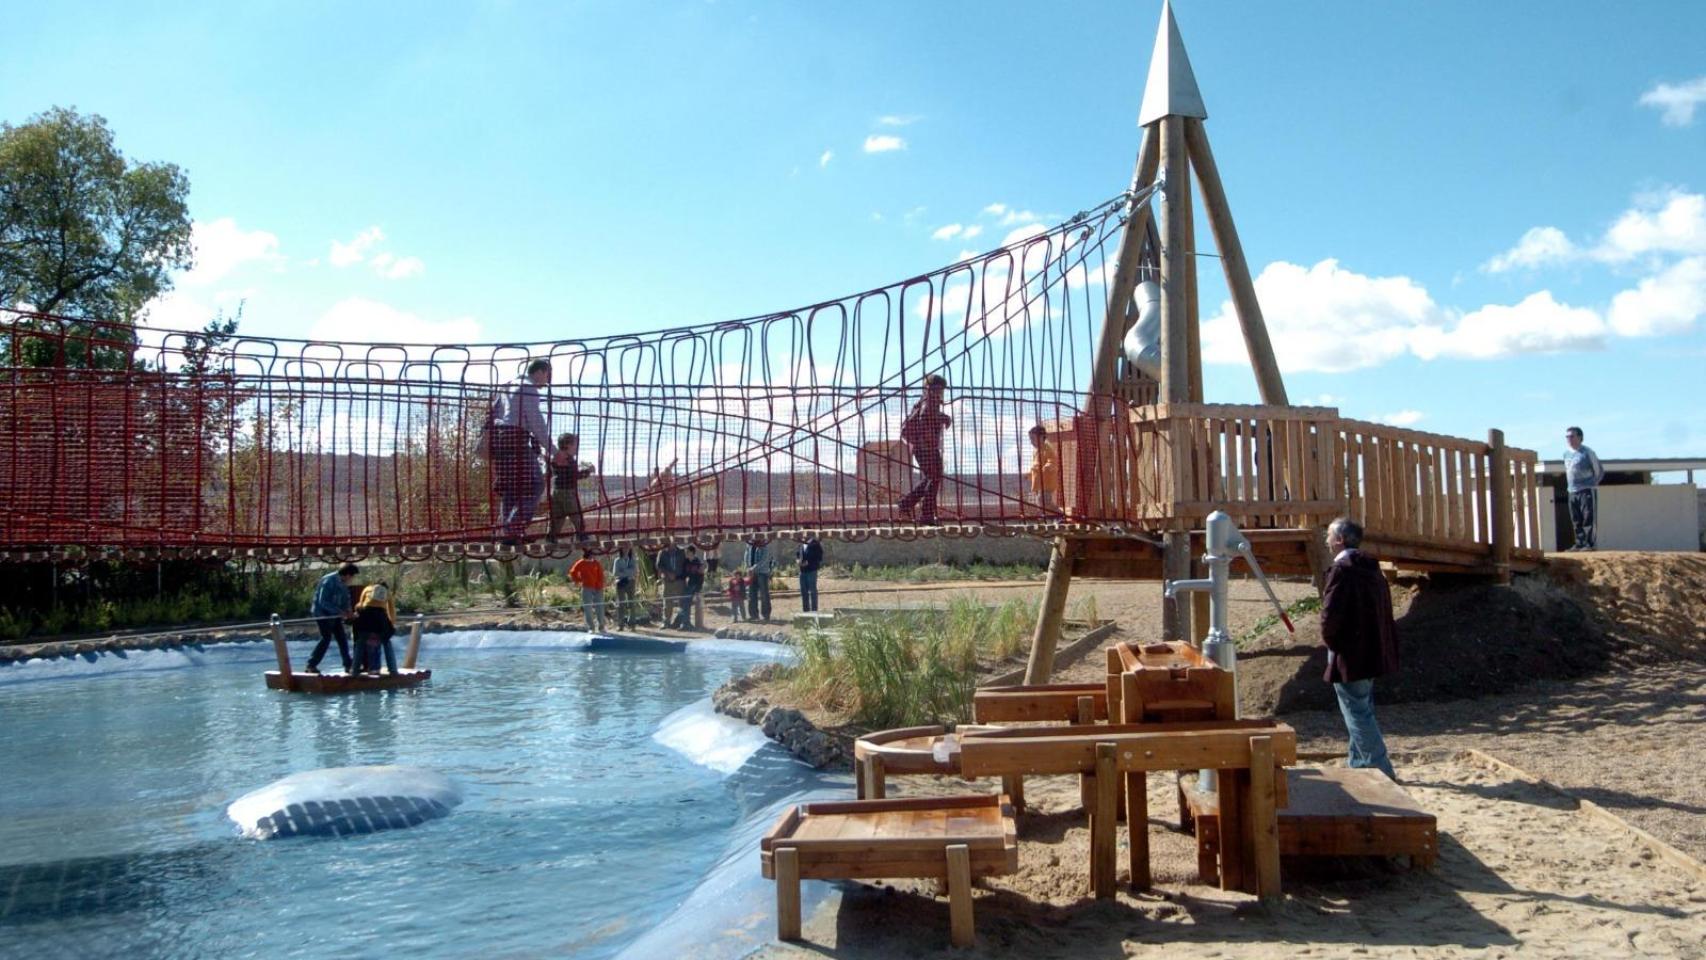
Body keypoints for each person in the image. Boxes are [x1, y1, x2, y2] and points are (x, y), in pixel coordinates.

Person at [1320, 518, 1400, 780]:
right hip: (1372, 649)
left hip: (1349, 652)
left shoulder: (1341, 570)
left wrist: (1331, 642)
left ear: (1340, 540)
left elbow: (1330, 615)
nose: (1326, 540)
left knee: (1357, 712)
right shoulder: (1373, 569)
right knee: (1363, 706)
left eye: (1329, 535)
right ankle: (1358, 763)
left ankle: (1381, 768)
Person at [488, 358, 557, 544]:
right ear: (541, 372)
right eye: (548, 376)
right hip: (516, 439)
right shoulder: (528, 388)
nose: (547, 381)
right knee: (536, 484)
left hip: (500, 440)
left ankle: (507, 534)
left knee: (511, 488)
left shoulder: (507, 386)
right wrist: (553, 450)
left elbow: (495, 413)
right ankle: (514, 528)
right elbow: (536, 423)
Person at [897, 374, 951, 524]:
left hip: (921, 446)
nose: (941, 392)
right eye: (939, 388)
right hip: (926, 447)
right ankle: (925, 514)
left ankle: (906, 504)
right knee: (934, 477)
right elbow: (925, 417)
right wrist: (944, 418)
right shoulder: (930, 401)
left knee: (932, 477)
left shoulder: (923, 401)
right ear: (932, 388)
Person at [305, 563, 359, 674]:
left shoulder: (344, 584)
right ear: (348, 575)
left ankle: (348, 665)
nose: (352, 579)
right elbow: (323, 601)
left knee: (342, 638)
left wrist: (348, 611)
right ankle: (311, 665)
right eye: (352, 576)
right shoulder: (329, 581)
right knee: (326, 638)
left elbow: (346, 599)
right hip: (322, 614)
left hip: (335, 615)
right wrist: (340, 612)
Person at [548, 432, 597, 544]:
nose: (577, 448)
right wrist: (588, 471)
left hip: (556, 491)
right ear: (568, 445)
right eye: (575, 445)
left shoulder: (556, 457)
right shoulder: (568, 459)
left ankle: (551, 537)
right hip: (568, 492)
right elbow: (573, 476)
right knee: (576, 514)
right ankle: (581, 536)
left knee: (557, 516)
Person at [1563, 426, 1604, 551]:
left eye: (1572, 436)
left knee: (1588, 517)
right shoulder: (1566, 454)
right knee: (1576, 519)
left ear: (1580, 437)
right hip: (1572, 490)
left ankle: (1589, 544)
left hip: (1586, 489)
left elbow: (1599, 471)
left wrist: (1592, 484)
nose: (1569, 439)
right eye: (1567, 437)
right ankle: (1579, 543)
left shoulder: (1587, 452)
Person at [351, 582, 398, 676]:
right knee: (387, 643)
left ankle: (355, 671)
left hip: (365, 617)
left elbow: (360, 605)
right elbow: (391, 610)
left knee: (360, 643)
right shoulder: (387, 592)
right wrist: (391, 625)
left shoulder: (367, 589)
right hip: (380, 618)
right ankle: (393, 670)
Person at [569, 549, 607, 633]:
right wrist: (578, 580)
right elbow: (573, 572)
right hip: (586, 587)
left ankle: (601, 627)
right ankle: (591, 627)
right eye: (591, 554)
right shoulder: (581, 563)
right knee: (588, 608)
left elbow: (601, 575)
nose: (592, 556)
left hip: (598, 588)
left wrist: (600, 585)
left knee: (600, 607)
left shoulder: (596, 563)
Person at [1027, 424, 1061, 512]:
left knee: (1044, 501)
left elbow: (1053, 460)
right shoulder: (1036, 451)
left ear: (1042, 437)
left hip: (1047, 482)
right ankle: (1046, 516)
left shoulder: (1047, 448)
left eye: (1033, 439)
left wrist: (1048, 465)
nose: (1031, 442)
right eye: (1030, 439)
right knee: (1041, 502)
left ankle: (1060, 515)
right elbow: (1036, 465)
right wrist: (1029, 474)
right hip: (1039, 483)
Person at [655, 541, 687, 628]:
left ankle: (682, 622)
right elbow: (659, 566)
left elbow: (685, 565)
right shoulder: (662, 552)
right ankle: (666, 621)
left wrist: (682, 576)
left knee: (682, 602)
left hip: (680, 580)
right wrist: (667, 573)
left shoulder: (681, 552)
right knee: (667, 602)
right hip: (668, 580)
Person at [744, 536, 774, 621]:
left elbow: (764, 559)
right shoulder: (749, 545)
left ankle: (766, 615)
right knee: (751, 594)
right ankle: (753, 615)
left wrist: (753, 568)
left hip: (762, 573)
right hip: (751, 573)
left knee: (764, 594)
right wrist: (747, 567)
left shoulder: (763, 544)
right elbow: (746, 556)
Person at [675, 545, 706, 629]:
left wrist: (698, 589)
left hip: (695, 585)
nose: (686, 553)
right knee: (685, 604)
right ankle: (685, 622)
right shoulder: (686, 562)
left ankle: (686, 623)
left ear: (692, 552)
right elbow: (684, 574)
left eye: (687, 552)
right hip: (689, 584)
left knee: (686, 603)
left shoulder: (698, 562)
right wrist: (676, 578)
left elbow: (701, 577)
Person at [611, 545, 638, 629]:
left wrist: (623, 572)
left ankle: (632, 623)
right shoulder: (617, 560)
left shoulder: (632, 560)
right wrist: (628, 572)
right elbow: (615, 573)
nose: (626, 549)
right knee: (621, 604)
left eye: (627, 548)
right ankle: (620, 624)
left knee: (631, 603)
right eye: (624, 547)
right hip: (621, 583)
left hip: (631, 582)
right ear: (621, 549)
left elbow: (635, 572)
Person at [796, 535, 824, 613]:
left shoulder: (815, 544)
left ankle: (814, 611)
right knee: (803, 592)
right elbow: (798, 554)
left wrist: (808, 562)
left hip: (811, 571)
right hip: (802, 571)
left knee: (812, 591)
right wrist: (798, 561)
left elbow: (819, 557)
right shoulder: (801, 544)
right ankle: (806, 612)